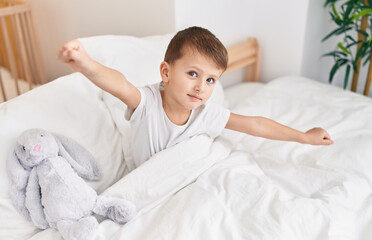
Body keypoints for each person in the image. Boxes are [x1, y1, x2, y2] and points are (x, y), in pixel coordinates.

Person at [57, 26, 334, 168]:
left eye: (211, 79)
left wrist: (304, 137)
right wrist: (86, 64)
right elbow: (120, 84)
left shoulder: (207, 112)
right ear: (166, 72)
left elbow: (256, 125)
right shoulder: (148, 103)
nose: (201, 87)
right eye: (192, 74)